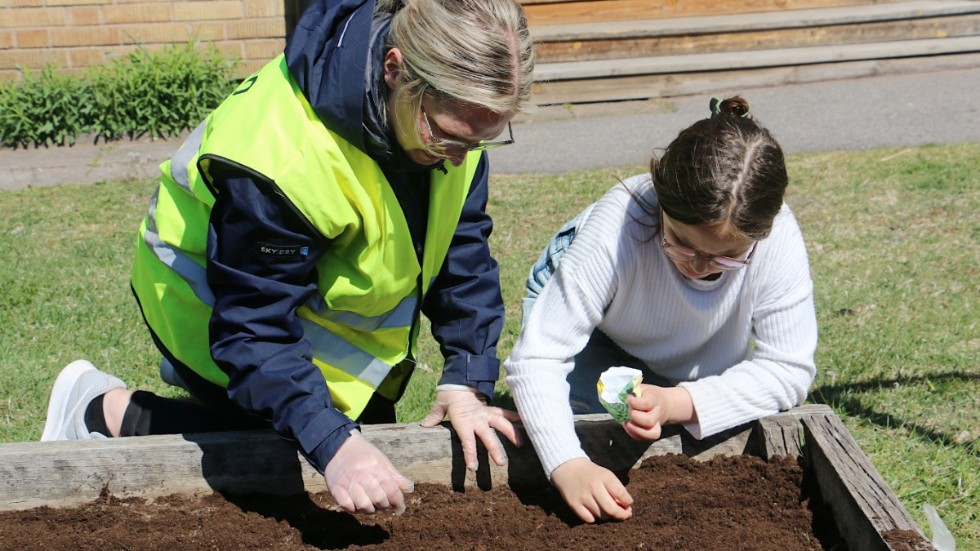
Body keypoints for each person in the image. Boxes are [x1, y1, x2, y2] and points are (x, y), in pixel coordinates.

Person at [41, 0, 535, 517]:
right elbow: (254, 330)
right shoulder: (282, 155)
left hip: (305, 301)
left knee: (351, 444)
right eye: (449, 136)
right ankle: (99, 408)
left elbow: (462, 247)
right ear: (395, 70)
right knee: (282, 451)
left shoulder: (451, 122)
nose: (462, 155)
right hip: (204, 296)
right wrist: (334, 445)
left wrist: (467, 376)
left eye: (484, 139)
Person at [503, 96, 818, 524]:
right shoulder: (618, 227)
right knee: (589, 423)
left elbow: (788, 367)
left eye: (727, 258)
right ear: (661, 202)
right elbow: (540, 357)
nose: (699, 268)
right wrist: (567, 464)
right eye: (682, 244)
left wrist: (679, 402)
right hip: (602, 333)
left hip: (689, 349)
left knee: (659, 417)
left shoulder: (775, 237)